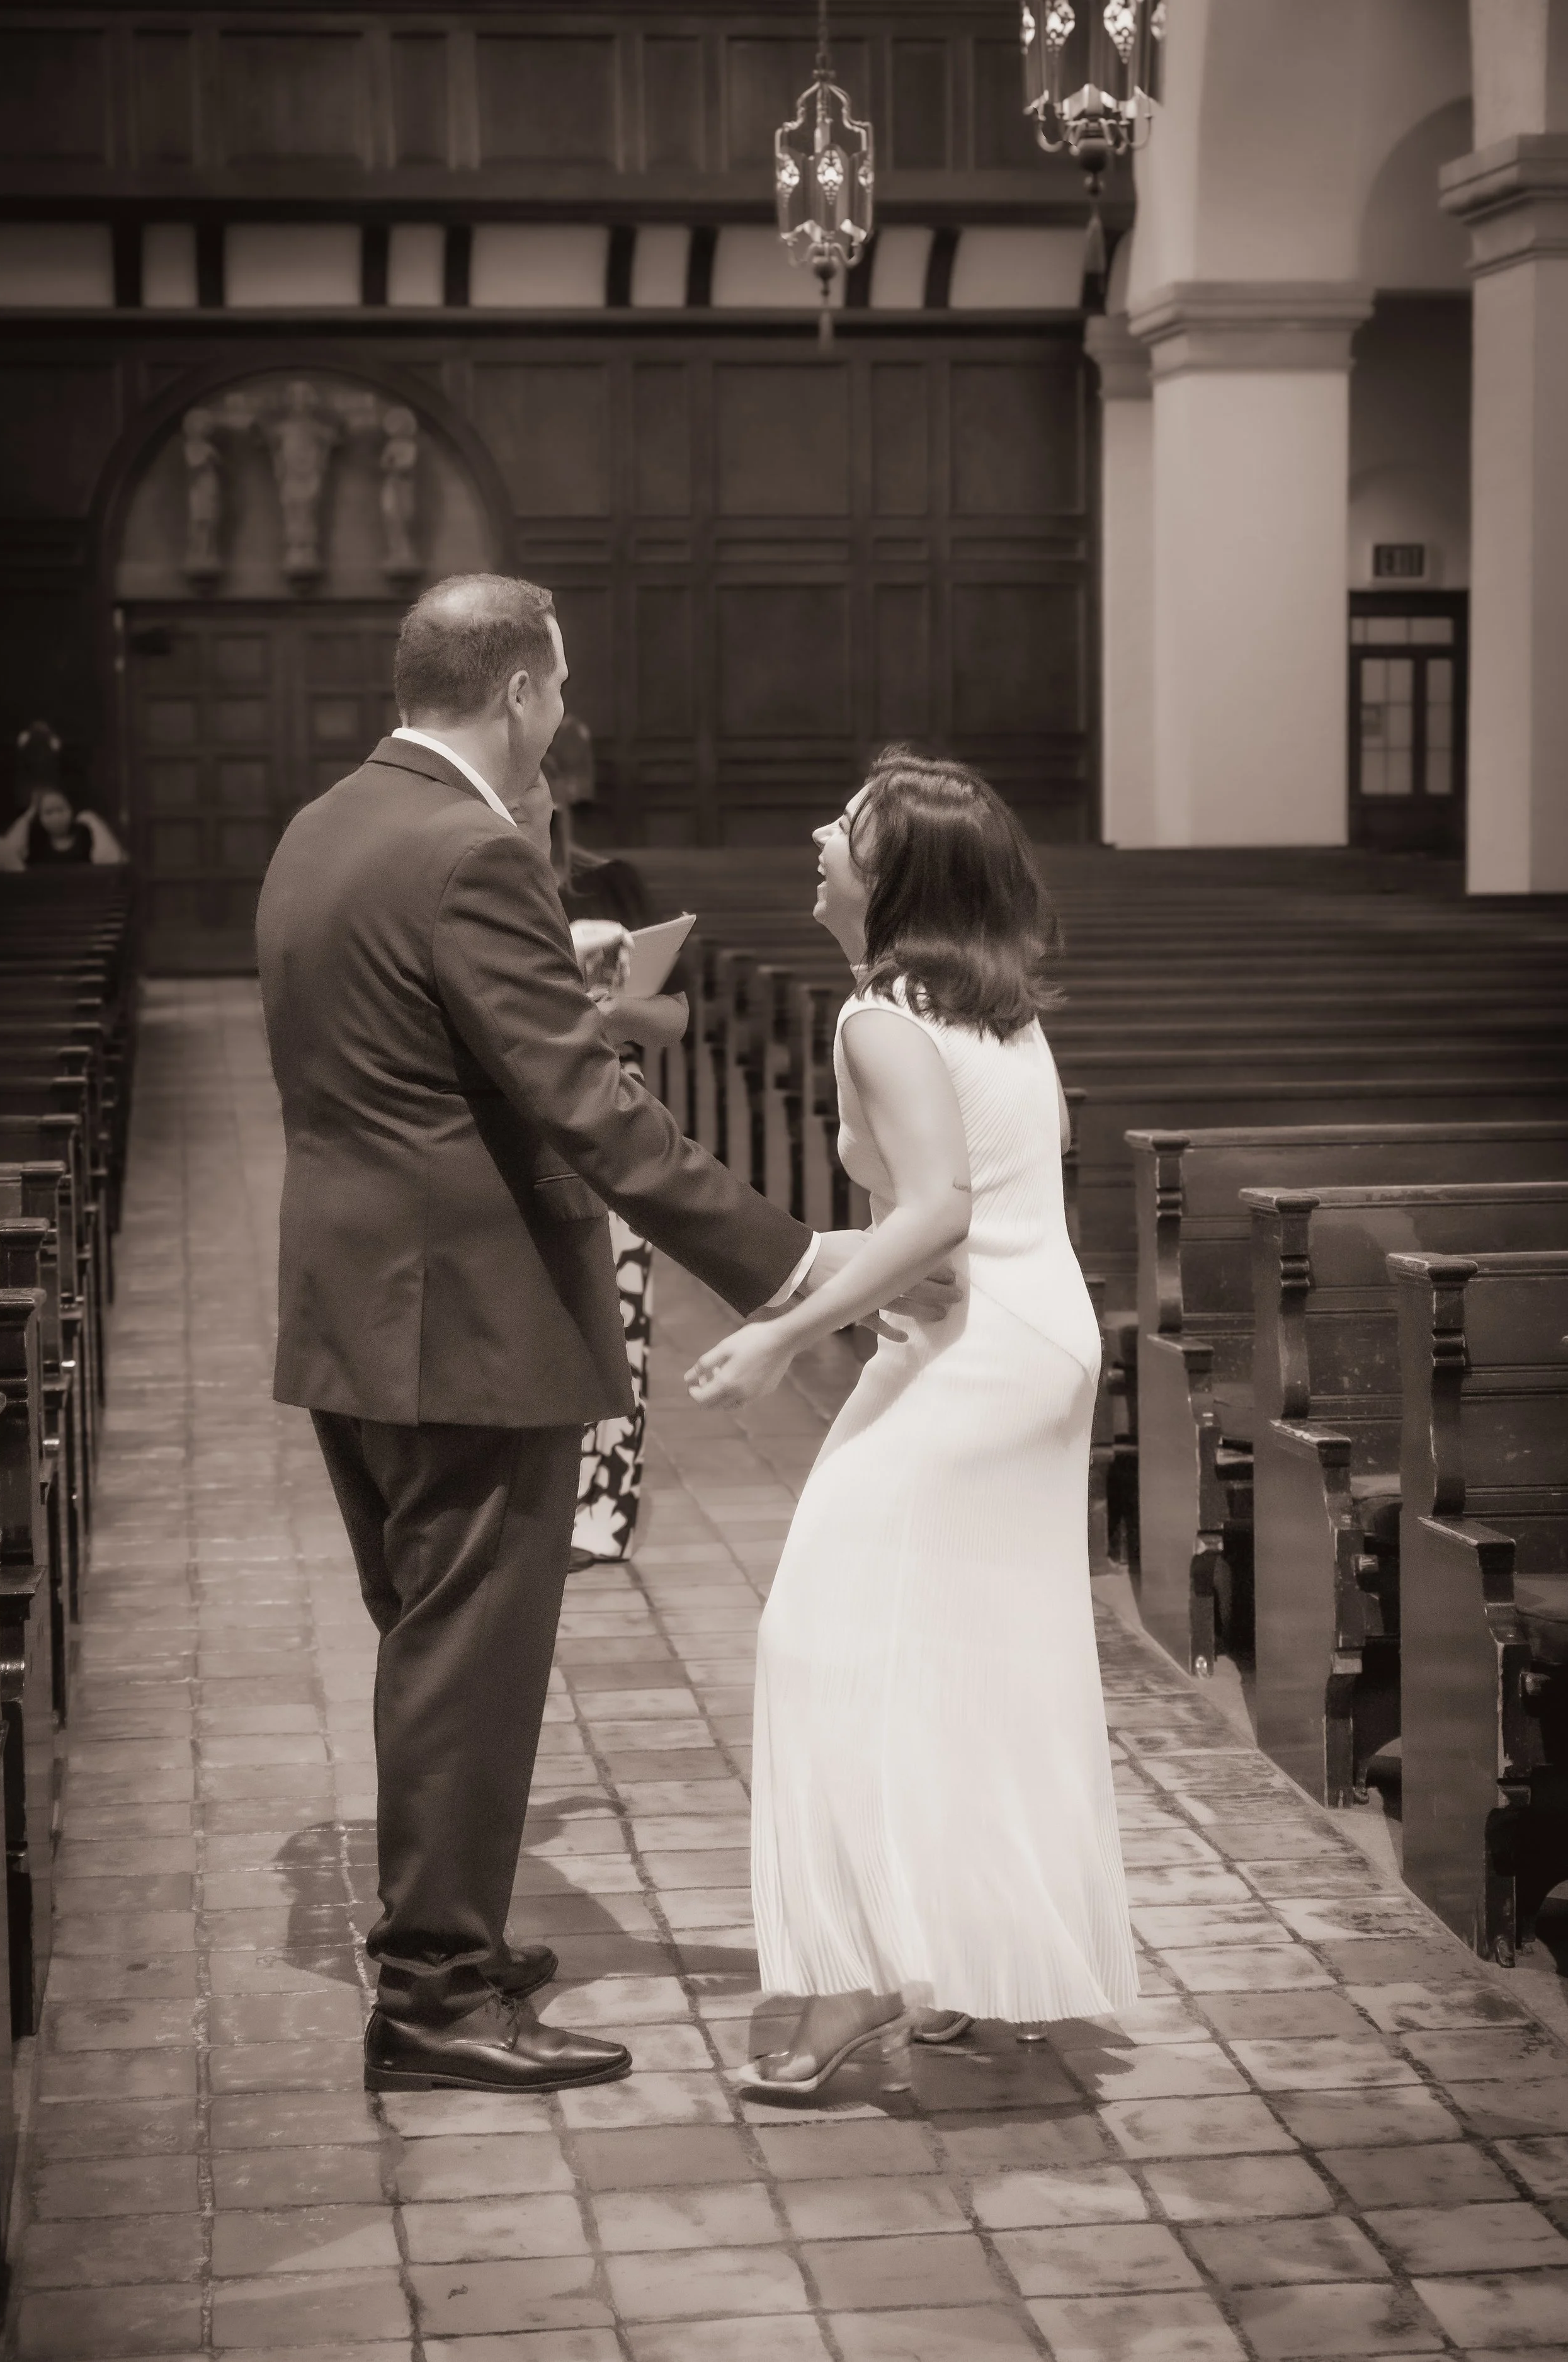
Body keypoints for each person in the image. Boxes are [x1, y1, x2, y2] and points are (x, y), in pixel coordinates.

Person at [254, 575, 957, 2098]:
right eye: (557, 690)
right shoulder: (470, 854)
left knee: (430, 1640)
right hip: (466, 1319)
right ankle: (434, 1996)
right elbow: (591, 1114)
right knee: (467, 1657)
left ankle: (448, 1941)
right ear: (515, 692)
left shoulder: (322, 829)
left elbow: (391, 1070)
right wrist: (791, 1268)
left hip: (354, 1305)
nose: (564, 719)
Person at [687, 748, 1139, 2096]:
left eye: (849, 824)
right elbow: (966, 1223)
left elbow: (936, 1217)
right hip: (1031, 1340)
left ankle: (847, 1989)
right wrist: (798, 1269)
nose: (819, 831)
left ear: (890, 877)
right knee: (984, 1649)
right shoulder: (983, 1006)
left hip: (975, 1354)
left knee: (816, 1635)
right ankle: (983, 1974)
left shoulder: (882, 1015)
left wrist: (780, 1333)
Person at [543, 712, 688, 1567]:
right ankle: (535, 1503)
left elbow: (673, 1016)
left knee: (618, 1315)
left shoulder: (613, 884)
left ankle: (604, 1512)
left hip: (611, 1111)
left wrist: (606, 1006)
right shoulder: (482, 880)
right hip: (517, 1123)